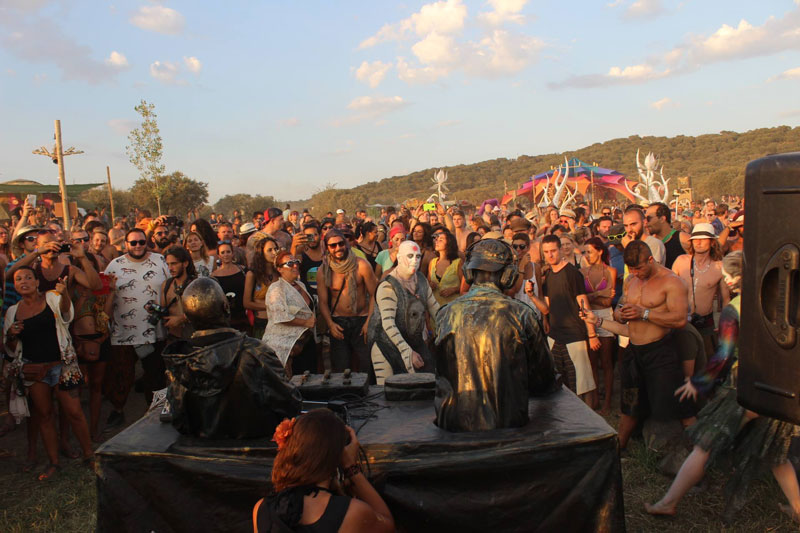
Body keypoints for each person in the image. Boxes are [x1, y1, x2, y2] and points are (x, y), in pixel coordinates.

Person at [645, 252, 800, 523]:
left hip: (743, 386)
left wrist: (698, 382)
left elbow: (724, 354)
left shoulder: (734, 310)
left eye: (728, 274)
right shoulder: (781, 304)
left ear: (739, 276)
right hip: (774, 387)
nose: (725, 279)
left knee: (704, 445)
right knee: (775, 454)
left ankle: (668, 503)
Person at [434, 239, 557, 432]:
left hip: (453, 425)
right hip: (505, 425)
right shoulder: (522, 314)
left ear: (468, 272)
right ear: (508, 275)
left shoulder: (445, 314)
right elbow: (544, 379)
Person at [162, 277, 301, 439]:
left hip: (203, 449)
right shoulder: (255, 352)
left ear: (188, 316)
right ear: (226, 307)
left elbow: (179, 420)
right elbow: (290, 404)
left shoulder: (180, 360)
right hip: (255, 447)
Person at [4, 266, 93, 480]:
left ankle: (90, 456)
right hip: (34, 370)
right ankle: (54, 463)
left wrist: (64, 294)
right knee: (44, 415)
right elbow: (11, 348)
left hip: (61, 365)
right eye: (18, 279)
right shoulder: (12, 312)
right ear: (15, 286)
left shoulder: (52, 298)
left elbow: (66, 315)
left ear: (37, 282)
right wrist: (11, 334)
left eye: (28, 277)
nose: (23, 281)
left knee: (74, 412)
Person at [253, 409, 395, 532]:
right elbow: (388, 524)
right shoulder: (353, 513)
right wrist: (351, 468)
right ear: (338, 456)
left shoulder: (261, 509)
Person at [613, 240, 695, 449]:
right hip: (634, 351)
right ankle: (618, 449)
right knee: (629, 404)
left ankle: (698, 453)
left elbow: (680, 319)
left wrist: (645, 313)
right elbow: (620, 307)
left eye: (639, 268)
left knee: (680, 407)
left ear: (650, 259)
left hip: (660, 352)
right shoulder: (631, 280)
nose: (636, 273)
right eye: (632, 269)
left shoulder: (672, 282)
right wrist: (619, 314)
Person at [103, 228, 170, 429]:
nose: (138, 246)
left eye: (142, 242)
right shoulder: (115, 265)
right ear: (126, 244)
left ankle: (156, 413)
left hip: (154, 331)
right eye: (133, 243)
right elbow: (105, 295)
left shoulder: (160, 261)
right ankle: (118, 410)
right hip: (123, 333)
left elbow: (171, 287)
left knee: (156, 376)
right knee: (121, 376)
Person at [368, 241, 439, 384]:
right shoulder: (388, 286)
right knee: (387, 389)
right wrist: (407, 352)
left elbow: (436, 310)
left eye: (418, 256)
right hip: (386, 345)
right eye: (410, 256)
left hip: (414, 341)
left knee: (428, 382)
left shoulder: (421, 280)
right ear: (399, 258)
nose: (415, 260)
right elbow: (388, 324)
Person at [540, 234, 598, 405]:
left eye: (553, 251)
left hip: (574, 334)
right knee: (560, 381)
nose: (550, 255)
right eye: (546, 252)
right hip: (555, 335)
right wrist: (532, 297)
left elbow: (583, 303)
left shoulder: (573, 273)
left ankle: (589, 416)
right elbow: (547, 307)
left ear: (560, 250)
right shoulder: (548, 275)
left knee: (583, 382)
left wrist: (592, 334)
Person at [317, 230, 377, 377]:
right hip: (339, 323)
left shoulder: (362, 265)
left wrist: (369, 322)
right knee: (341, 368)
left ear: (346, 244)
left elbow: (375, 295)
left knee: (366, 367)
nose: (338, 248)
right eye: (333, 245)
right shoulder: (323, 270)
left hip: (361, 321)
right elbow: (323, 302)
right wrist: (331, 324)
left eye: (341, 243)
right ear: (327, 248)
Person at [672, 222, 730, 359]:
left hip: (705, 323)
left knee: (707, 361)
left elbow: (726, 299)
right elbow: (668, 289)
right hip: (680, 320)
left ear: (712, 242)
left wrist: (724, 324)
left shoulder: (719, 267)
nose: (698, 242)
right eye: (695, 239)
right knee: (679, 360)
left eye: (703, 239)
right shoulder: (681, 261)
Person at [263, 252, 316, 377]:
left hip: (305, 341)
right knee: (294, 381)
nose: (295, 266)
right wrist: (306, 322)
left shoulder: (301, 285)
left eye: (296, 262)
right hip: (286, 345)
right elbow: (280, 316)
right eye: (290, 264)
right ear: (279, 269)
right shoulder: (276, 288)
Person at [580, 237, 617, 414]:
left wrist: (591, 296)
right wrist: (600, 293)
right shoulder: (582, 272)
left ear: (600, 251)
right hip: (589, 316)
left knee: (607, 361)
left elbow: (608, 301)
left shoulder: (610, 271)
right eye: (585, 252)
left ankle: (607, 402)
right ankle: (594, 399)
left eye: (590, 252)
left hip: (605, 315)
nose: (587, 255)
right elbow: (583, 299)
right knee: (592, 361)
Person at [244, 236, 280, 339]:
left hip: (279, 322)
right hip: (262, 324)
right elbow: (246, 303)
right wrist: (270, 306)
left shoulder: (279, 272)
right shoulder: (252, 274)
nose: (274, 253)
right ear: (261, 253)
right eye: (270, 250)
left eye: (276, 249)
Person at [160, 246, 197, 343]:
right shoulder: (166, 285)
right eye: (168, 264)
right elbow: (163, 309)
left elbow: (205, 311)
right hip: (174, 338)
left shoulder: (196, 285)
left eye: (174, 264)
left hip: (194, 338)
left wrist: (182, 319)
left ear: (185, 263)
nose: (170, 268)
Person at [645, 202, 689, 269]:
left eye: (649, 218)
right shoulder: (649, 242)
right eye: (644, 218)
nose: (645, 222)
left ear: (662, 219)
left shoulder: (683, 239)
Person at [428, 230, 463, 305]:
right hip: (435, 306)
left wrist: (454, 290)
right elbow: (427, 284)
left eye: (441, 240)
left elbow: (465, 286)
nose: (437, 242)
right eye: (437, 240)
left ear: (449, 243)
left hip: (452, 306)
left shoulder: (458, 262)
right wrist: (430, 285)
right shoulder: (432, 262)